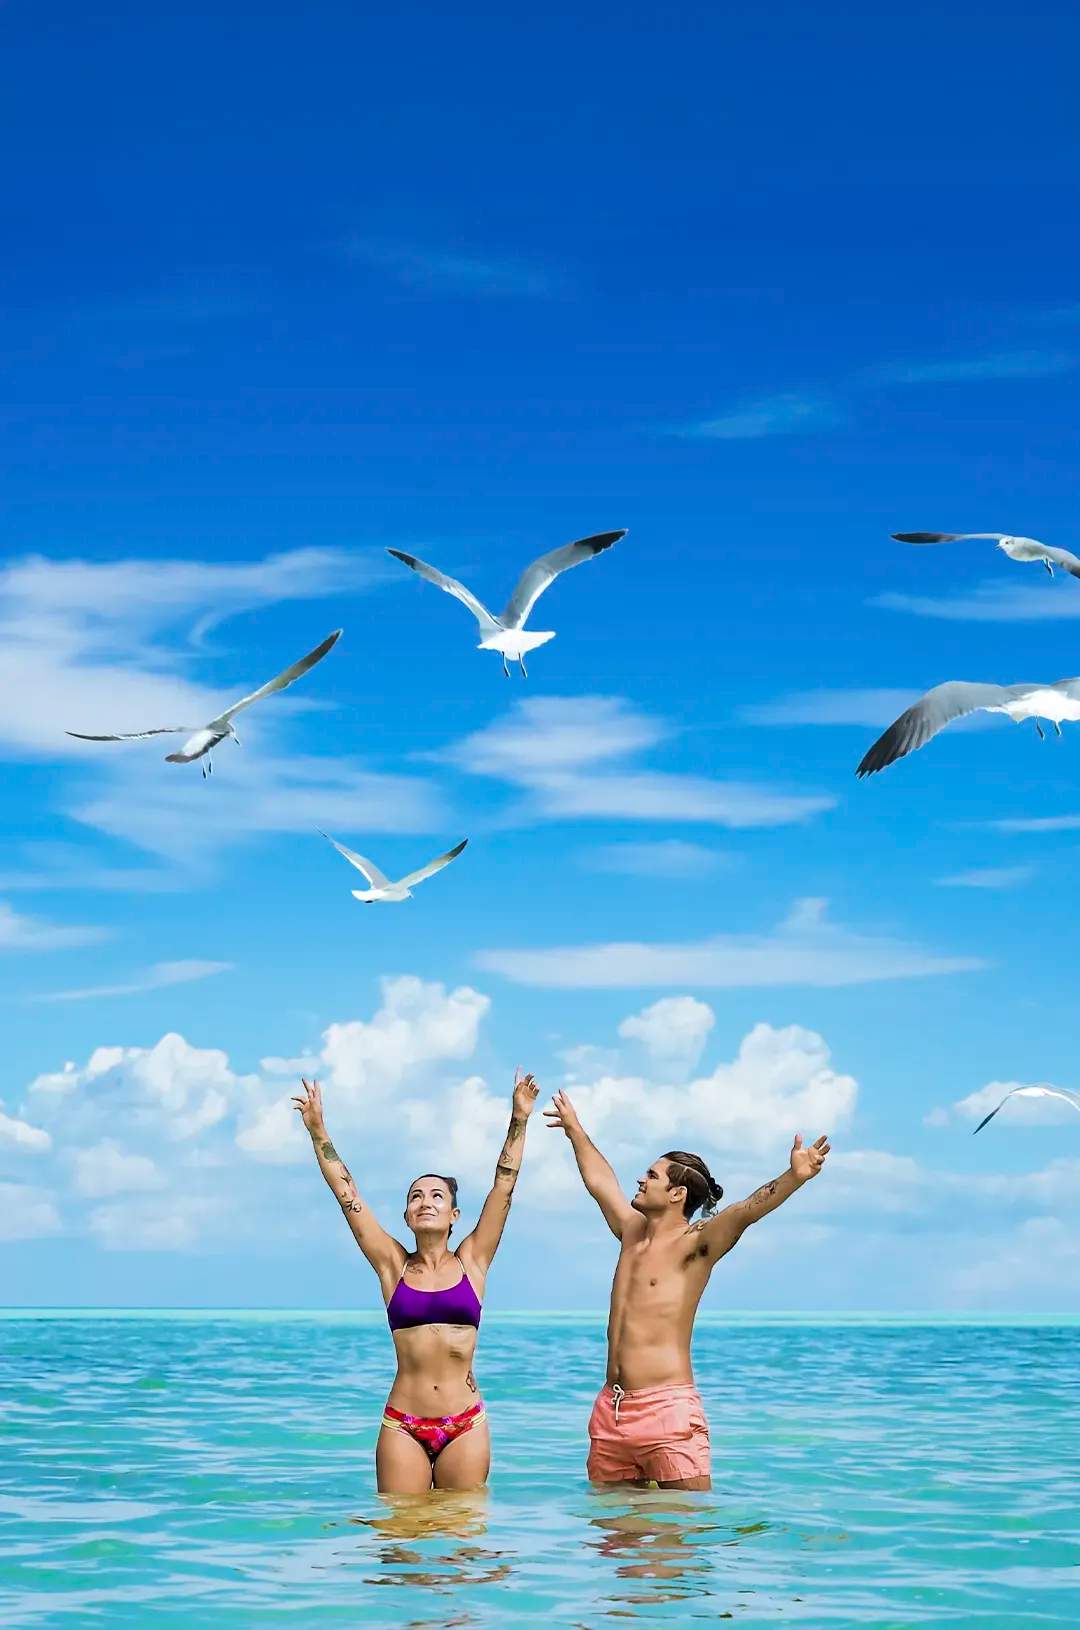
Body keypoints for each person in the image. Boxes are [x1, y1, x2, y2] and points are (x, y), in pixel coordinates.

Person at [544, 1090, 830, 1491]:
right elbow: (600, 1181)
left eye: (653, 1175)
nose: (641, 1179)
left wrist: (794, 1177)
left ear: (677, 1194)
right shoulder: (630, 1232)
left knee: (679, 1542)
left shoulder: (696, 1244)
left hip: (668, 1409)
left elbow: (746, 1210)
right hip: (613, 1412)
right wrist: (575, 1130)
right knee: (615, 1544)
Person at [293, 1068, 539, 1493]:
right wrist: (318, 1132)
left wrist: (519, 1120)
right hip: (403, 1425)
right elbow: (347, 1193)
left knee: (462, 1546)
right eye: (415, 1196)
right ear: (407, 1216)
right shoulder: (393, 1265)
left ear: (454, 1216)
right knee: (400, 1547)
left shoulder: (474, 1260)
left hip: (465, 1423)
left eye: (436, 1196)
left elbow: (504, 1187)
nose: (425, 1201)